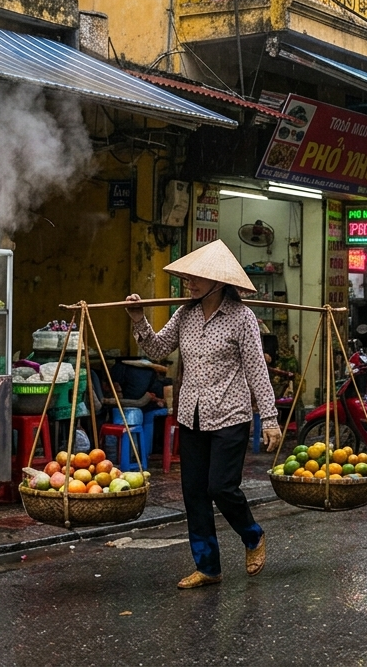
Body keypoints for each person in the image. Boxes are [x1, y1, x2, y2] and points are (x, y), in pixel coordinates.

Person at [124, 239, 281, 590]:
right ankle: (208, 566)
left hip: (231, 414)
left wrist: (269, 420)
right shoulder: (185, 314)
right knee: (194, 492)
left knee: (221, 488)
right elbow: (158, 349)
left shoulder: (242, 319)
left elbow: (257, 370)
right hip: (191, 415)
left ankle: (252, 535)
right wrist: (139, 319)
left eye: (196, 279)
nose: (189, 284)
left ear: (219, 282)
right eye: (188, 278)